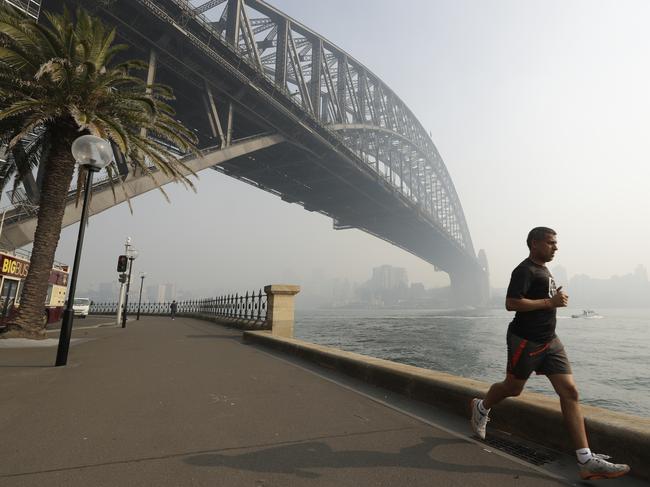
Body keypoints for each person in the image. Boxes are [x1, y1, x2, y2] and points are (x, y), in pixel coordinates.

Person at [470, 227, 630, 480]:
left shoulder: (544, 269)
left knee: (570, 392)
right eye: (550, 242)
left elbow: (540, 299)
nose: (555, 247)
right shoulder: (524, 269)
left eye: (556, 243)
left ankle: (585, 459)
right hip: (526, 341)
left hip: (551, 341)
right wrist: (550, 303)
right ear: (535, 243)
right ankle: (481, 406)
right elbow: (511, 303)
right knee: (513, 388)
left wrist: (554, 298)